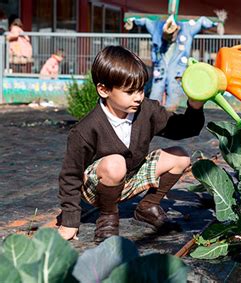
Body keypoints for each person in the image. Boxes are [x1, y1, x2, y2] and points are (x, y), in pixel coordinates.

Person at [57, 46, 206, 243]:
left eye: (141, 89)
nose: (138, 97)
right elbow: (70, 175)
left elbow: (184, 129)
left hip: (130, 178)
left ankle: (147, 207)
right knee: (115, 163)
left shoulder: (147, 110)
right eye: (129, 92)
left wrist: (195, 106)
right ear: (103, 90)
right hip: (97, 187)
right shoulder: (86, 129)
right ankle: (108, 216)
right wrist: (70, 221)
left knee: (181, 156)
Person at [124, 15, 221, 110]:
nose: (171, 37)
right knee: (156, 91)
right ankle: (150, 113)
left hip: (176, 68)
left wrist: (216, 22)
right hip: (161, 67)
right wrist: (131, 21)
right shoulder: (157, 27)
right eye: (167, 35)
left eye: (172, 34)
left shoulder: (186, 28)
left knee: (174, 91)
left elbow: (201, 21)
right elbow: (144, 20)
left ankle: (170, 114)